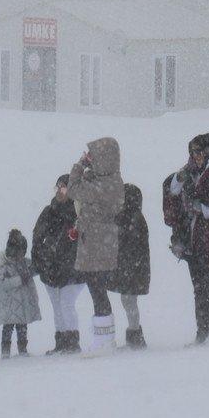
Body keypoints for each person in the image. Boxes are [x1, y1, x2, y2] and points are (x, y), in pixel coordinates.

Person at [164, 133, 209, 345]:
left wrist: (203, 209)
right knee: (198, 287)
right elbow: (172, 189)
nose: (193, 156)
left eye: (197, 151)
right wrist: (181, 175)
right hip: (193, 241)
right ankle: (202, 332)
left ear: (207, 152)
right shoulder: (190, 172)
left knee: (208, 286)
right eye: (191, 151)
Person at [68, 137, 124, 353]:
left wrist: (80, 165)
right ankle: (105, 338)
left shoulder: (102, 185)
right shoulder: (112, 180)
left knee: (97, 289)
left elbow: (73, 188)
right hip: (102, 242)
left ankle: (104, 340)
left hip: (96, 243)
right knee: (98, 289)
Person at [32, 174, 86, 355]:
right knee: (57, 305)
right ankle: (61, 341)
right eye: (57, 187)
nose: (59, 191)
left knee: (66, 302)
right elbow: (37, 237)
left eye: (62, 187)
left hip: (74, 269)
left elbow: (83, 241)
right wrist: (40, 261)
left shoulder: (80, 213)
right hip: (51, 268)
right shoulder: (49, 211)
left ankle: (73, 341)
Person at [0, 229, 41, 357]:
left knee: (22, 327)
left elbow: (36, 268)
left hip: (22, 303)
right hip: (9, 305)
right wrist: (20, 279)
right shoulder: (1, 265)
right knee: (8, 328)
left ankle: (23, 350)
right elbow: (2, 284)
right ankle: (5, 352)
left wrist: (33, 270)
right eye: (20, 252)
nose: (22, 255)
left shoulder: (24, 262)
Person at [109, 182, 150, 349]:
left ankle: (135, 335)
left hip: (131, 268)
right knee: (128, 301)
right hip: (131, 268)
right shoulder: (130, 217)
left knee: (129, 301)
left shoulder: (133, 218)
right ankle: (134, 334)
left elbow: (129, 244)